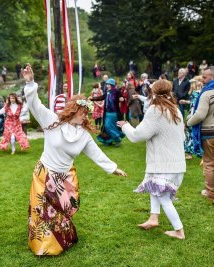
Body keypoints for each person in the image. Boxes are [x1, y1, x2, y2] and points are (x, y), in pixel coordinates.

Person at [22, 64, 126, 256]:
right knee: (43, 211)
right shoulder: (52, 121)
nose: (85, 116)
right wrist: (30, 83)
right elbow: (35, 105)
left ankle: (61, 239)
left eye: (86, 113)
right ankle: (42, 244)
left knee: (63, 211)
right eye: (82, 112)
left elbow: (96, 154)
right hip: (44, 174)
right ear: (73, 109)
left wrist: (113, 168)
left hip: (65, 178)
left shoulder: (83, 134)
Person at [117, 80, 186, 240]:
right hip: (175, 163)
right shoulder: (175, 109)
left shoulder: (155, 110)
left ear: (153, 93)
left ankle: (179, 231)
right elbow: (181, 136)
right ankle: (153, 218)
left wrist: (125, 126)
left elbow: (137, 136)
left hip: (164, 164)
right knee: (153, 188)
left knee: (163, 197)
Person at [187, 67, 214, 203]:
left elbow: (200, 115)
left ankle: (211, 193)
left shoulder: (206, 93)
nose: (202, 80)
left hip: (209, 134)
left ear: (212, 77)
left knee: (209, 164)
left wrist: (188, 122)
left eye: (204, 77)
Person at [90, 78, 125, 147]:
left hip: (114, 113)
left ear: (112, 85)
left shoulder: (116, 91)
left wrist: (122, 99)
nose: (107, 86)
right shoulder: (107, 92)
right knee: (107, 127)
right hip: (107, 113)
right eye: (107, 84)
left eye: (109, 84)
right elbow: (101, 97)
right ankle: (109, 140)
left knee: (108, 126)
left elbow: (122, 98)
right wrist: (92, 98)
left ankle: (117, 139)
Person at [180, 76, 203, 159]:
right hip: (200, 115)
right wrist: (186, 101)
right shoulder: (203, 92)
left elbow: (194, 106)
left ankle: (190, 153)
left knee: (189, 133)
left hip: (193, 115)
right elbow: (194, 103)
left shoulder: (195, 93)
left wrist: (190, 118)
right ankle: (200, 153)